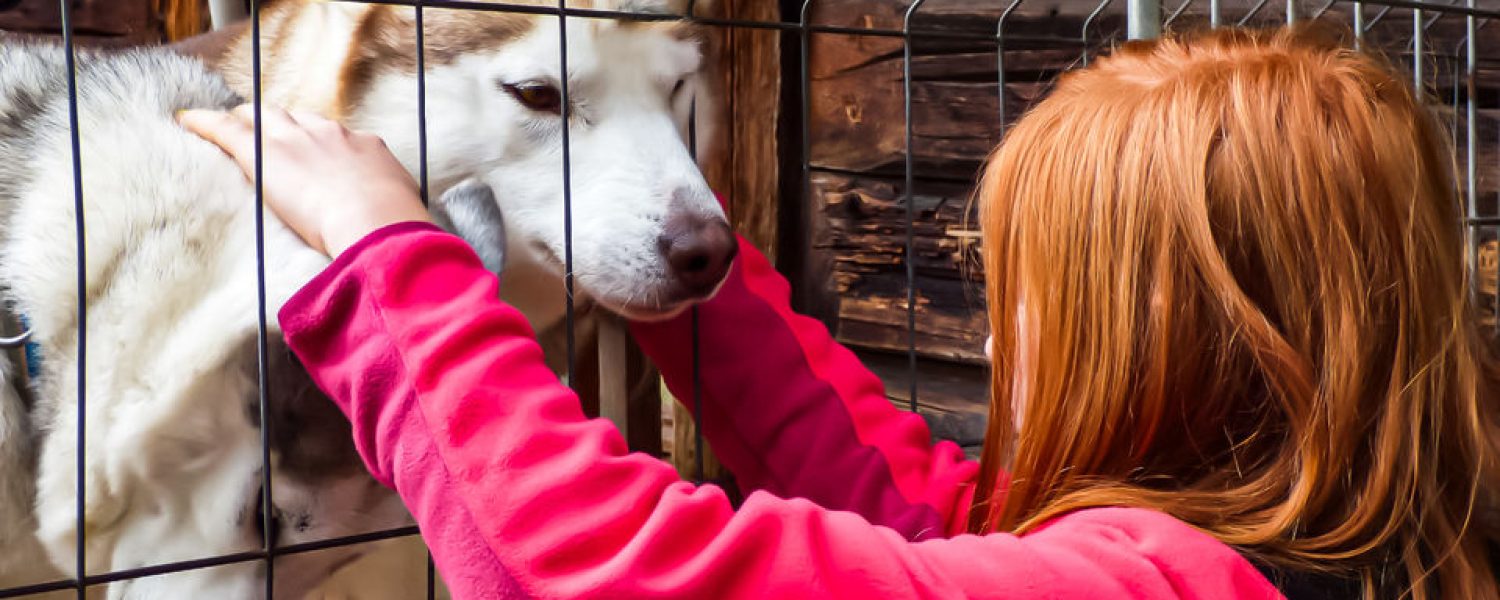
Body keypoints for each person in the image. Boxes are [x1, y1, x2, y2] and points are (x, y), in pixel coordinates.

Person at [180, 25, 1500, 599]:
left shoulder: (1151, 590)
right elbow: (905, 499)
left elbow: (599, 581)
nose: (990, 340)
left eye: (1031, 301)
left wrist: (393, 263)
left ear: (1182, 343)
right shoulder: (1333, 544)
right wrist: (684, 270)